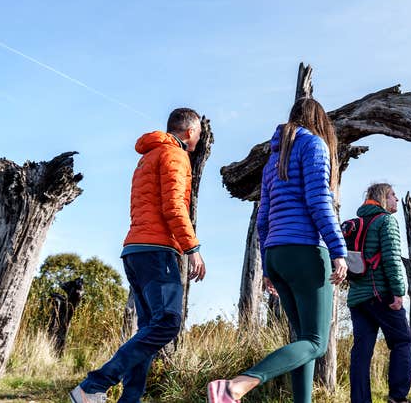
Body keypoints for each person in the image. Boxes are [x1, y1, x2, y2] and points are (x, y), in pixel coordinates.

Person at [207, 98, 348, 403]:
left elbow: (263, 217)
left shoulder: (274, 160)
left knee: (303, 342)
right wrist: (339, 249)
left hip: (277, 254)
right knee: (316, 342)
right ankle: (235, 386)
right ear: (320, 122)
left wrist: (269, 268)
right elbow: (318, 201)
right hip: (305, 252)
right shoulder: (315, 146)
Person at [70, 108, 207, 403]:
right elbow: (174, 207)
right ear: (190, 131)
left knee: (148, 330)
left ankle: (128, 400)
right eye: (199, 132)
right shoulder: (174, 155)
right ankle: (94, 385)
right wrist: (192, 248)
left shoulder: (148, 155)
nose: (200, 137)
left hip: (135, 250)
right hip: (156, 250)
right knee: (169, 322)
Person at [347, 183, 411, 403]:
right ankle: (397, 397)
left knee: (361, 353)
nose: (396, 199)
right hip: (381, 295)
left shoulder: (356, 224)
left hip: (357, 299)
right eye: (393, 195)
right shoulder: (386, 221)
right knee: (402, 341)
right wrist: (398, 292)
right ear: (383, 198)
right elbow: (392, 258)